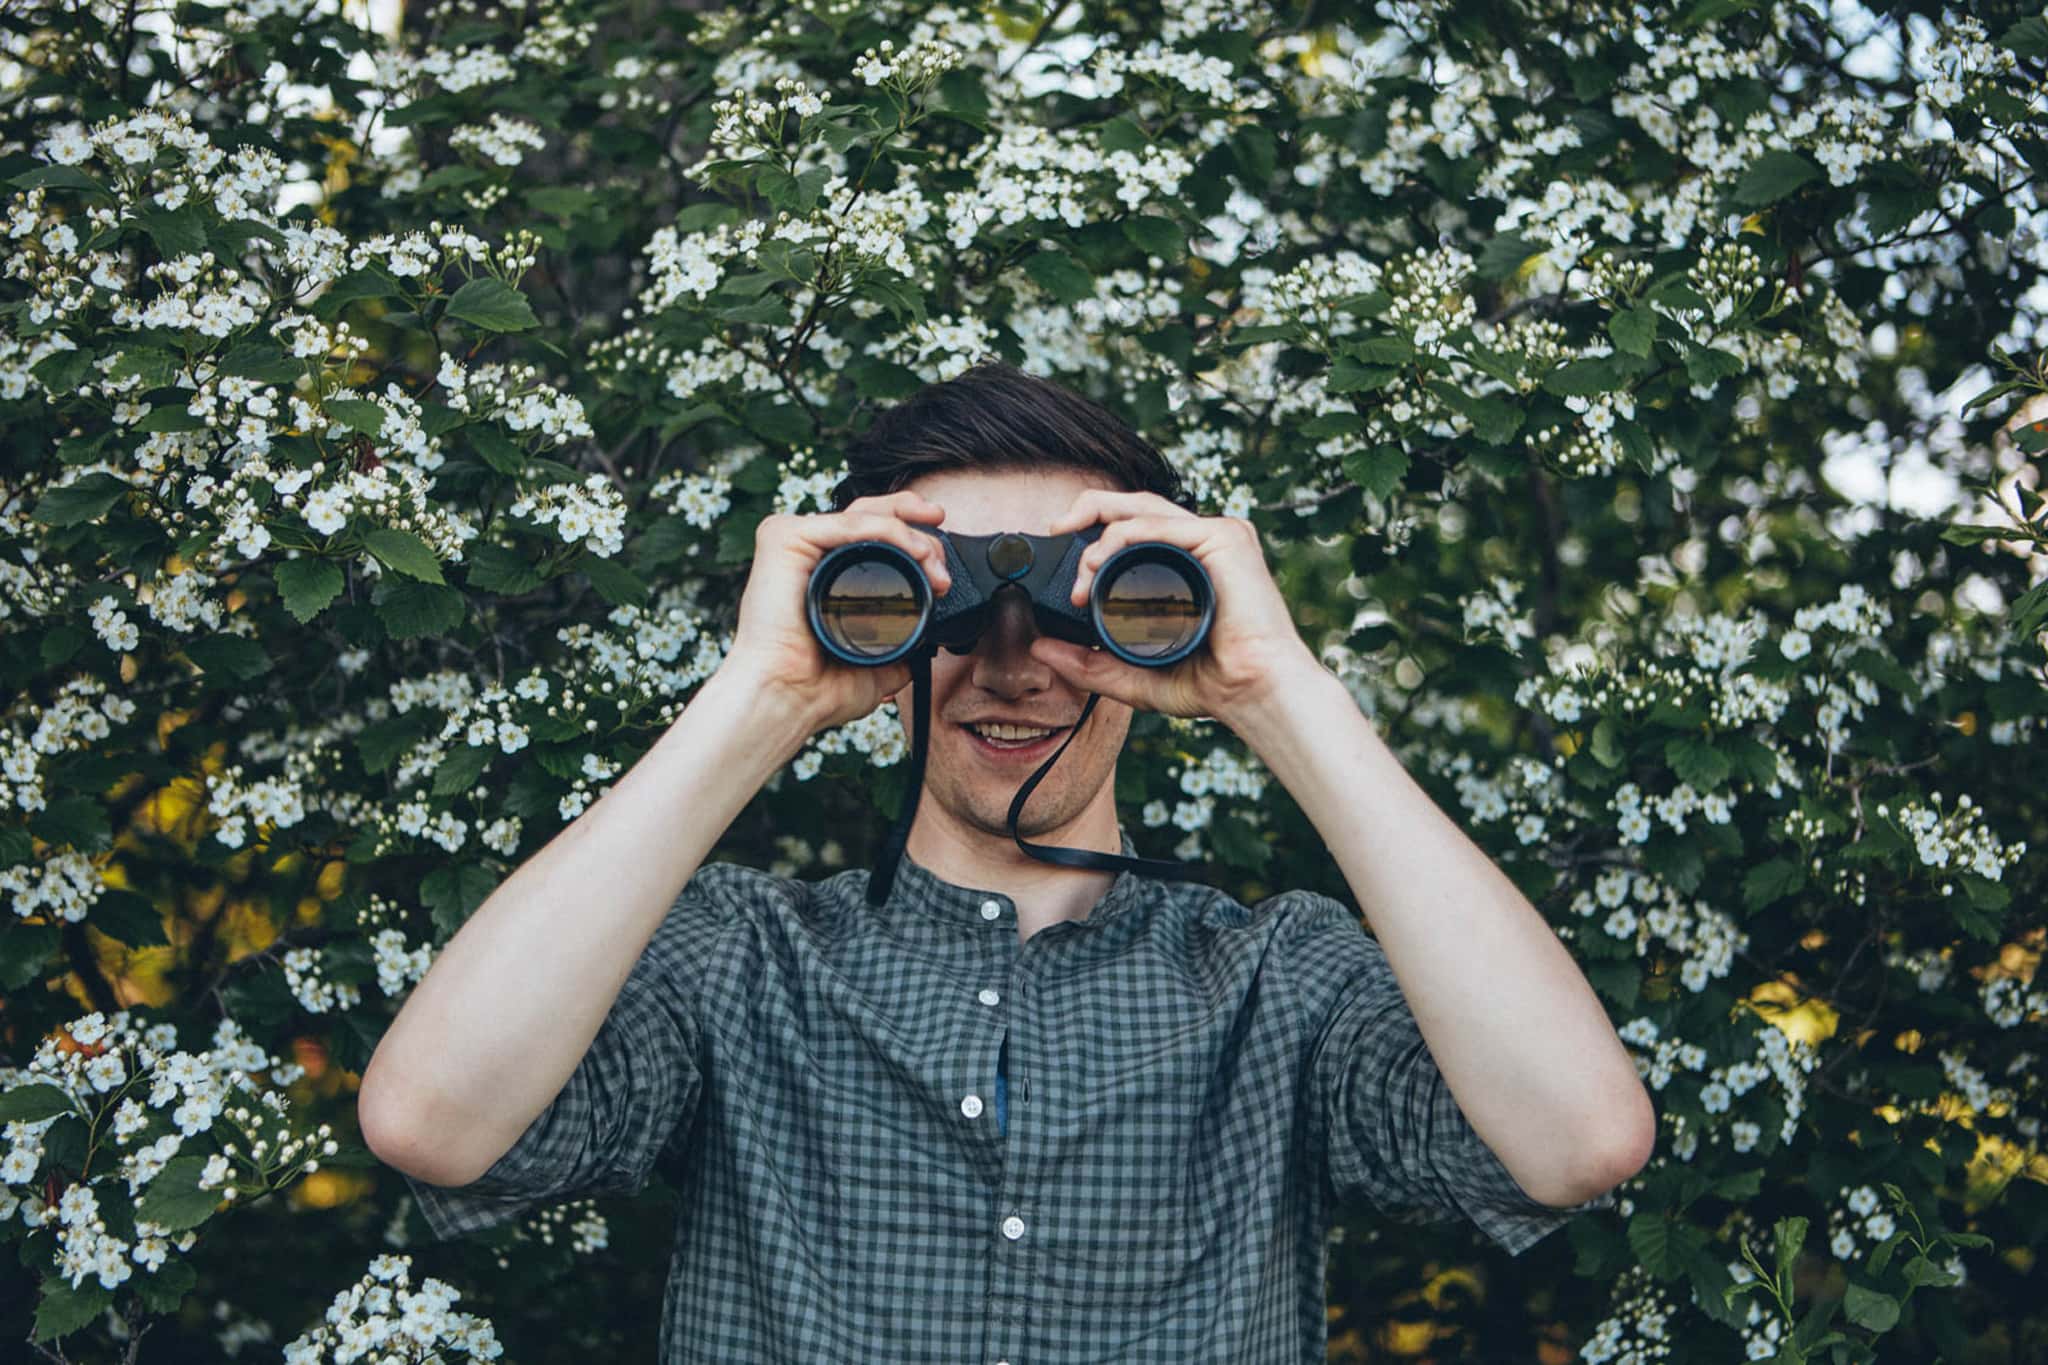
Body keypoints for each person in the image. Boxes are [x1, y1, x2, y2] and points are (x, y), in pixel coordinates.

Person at [358, 360, 1655, 1363]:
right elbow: (436, 1123)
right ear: (877, 623)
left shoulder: (1277, 980)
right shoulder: (737, 957)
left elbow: (1578, 1138)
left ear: (1151, 637)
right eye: (945, 602)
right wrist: (762, 693)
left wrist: (1273, 685)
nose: (1015, 658)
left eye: (1096, 608)